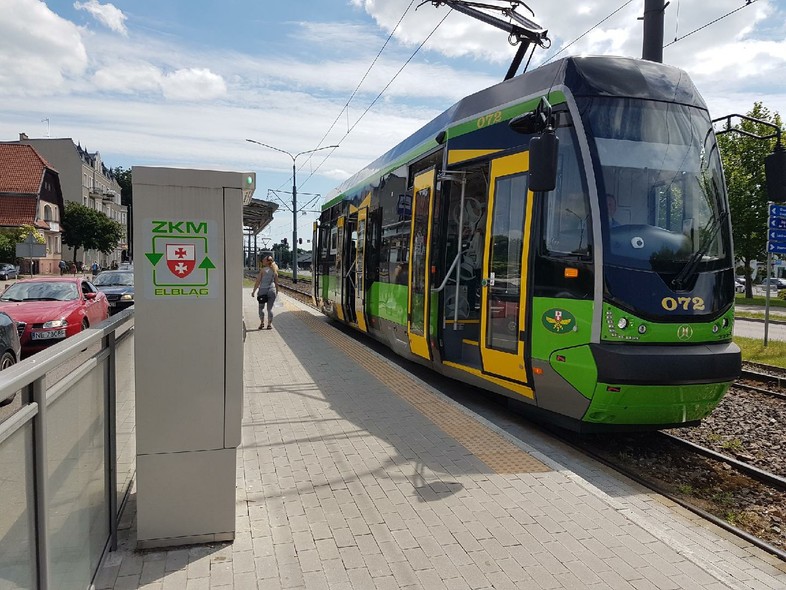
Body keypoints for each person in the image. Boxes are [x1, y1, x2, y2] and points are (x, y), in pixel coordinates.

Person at [251, 255, 279, 330]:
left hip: (262, 290)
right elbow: (276, 283)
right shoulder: (274, 270)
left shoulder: (263, 270)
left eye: (263, 260)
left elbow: (258, 281)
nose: (262, 261)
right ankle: (269, 324)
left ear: (267, 262)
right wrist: (277, 292)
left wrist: (254, 291)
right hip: (272, 290)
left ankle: (262, 323)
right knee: (270, 309)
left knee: (261, 308)